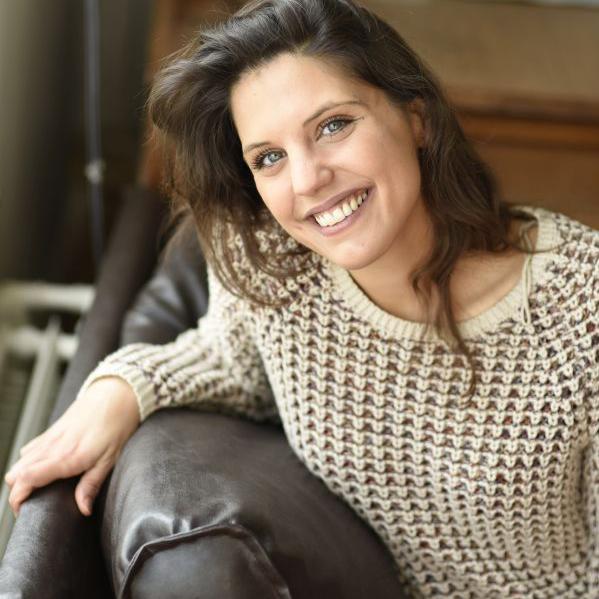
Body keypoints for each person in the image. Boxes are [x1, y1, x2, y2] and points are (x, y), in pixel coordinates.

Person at [4, 0, 598, 595]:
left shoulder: (580, 300)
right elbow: (228, 358)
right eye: (270, 158)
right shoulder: (275, 265)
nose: (307, 179)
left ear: (416, 117)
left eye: (333, 125)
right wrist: (119, 391)